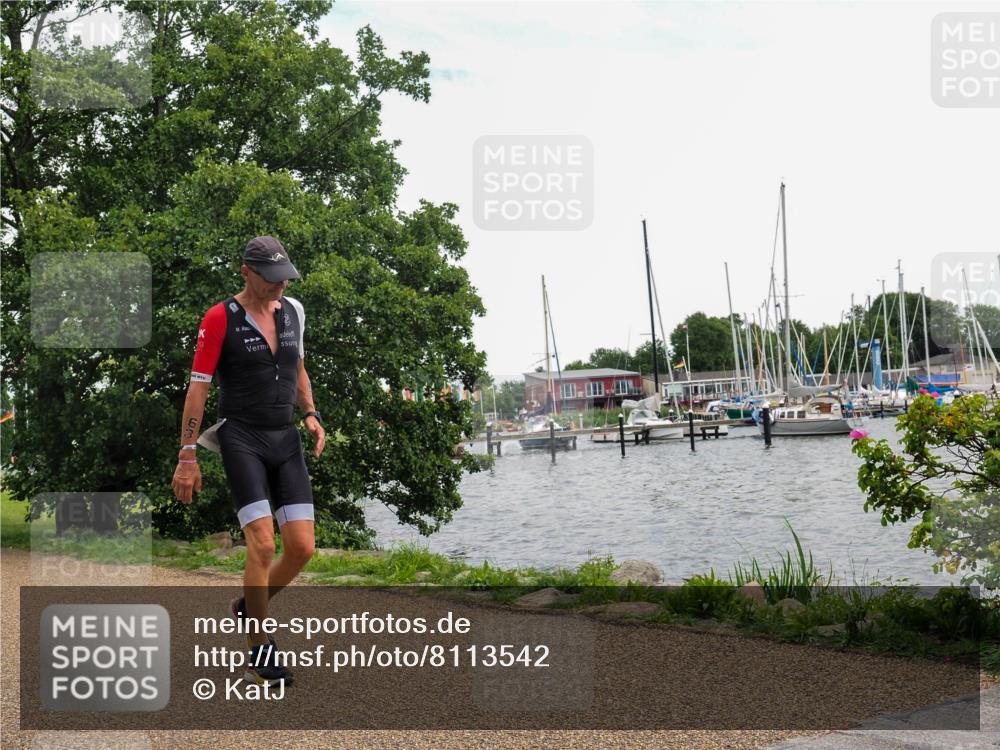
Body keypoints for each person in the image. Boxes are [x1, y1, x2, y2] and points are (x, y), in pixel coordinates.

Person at [172, 235, 326, 687]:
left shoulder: (294, 310)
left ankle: (247, 606)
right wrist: (187, 455)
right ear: (246, 272)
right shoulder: (220, 318)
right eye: (271, 278)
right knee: (262, 545)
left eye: (285, 278)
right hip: (241, 438)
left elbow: (297, 368)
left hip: (285, 438)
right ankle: (260, 647)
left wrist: (311, 413)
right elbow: (198, 387)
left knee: (301, 548)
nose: (280, 286)